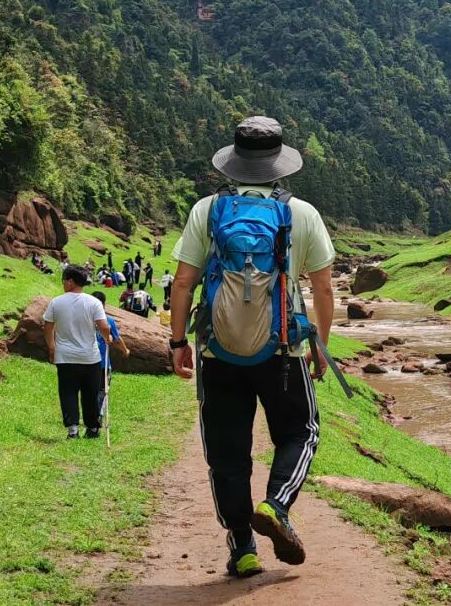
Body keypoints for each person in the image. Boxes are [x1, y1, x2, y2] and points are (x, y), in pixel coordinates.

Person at [169, 116, 334, 580]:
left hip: (218, 353)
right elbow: (323, 288)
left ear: (233, 160)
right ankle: (276, 505)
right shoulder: (302, 213)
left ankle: (242, 546)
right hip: (282, 353)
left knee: (227, 453)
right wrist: (321, 346)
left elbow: (183, 282)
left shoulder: (208, 210)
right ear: (279, 164)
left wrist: (178, 342)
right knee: (300, 431)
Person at [44, 266, 112, 439]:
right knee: (90, 393)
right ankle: (92, 428)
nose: (63, 284)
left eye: (64, 281)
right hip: (90, 357)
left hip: (65, 357)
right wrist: (107, 337)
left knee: (68, 392)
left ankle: (73, 430)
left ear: (70, 282)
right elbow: (104, 326)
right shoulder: (94, 302)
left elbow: (48, 326)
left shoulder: (56, 302)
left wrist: (51, 347)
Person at [91, 291, 130, 427]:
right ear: (103, 305)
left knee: (90, 390)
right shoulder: (108, 321)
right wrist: (125, 350)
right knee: (102, 390)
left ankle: (92, 416)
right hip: (103, 363)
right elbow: (117, 339)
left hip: (86, 362)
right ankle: (98, 416)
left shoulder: (83, 319)